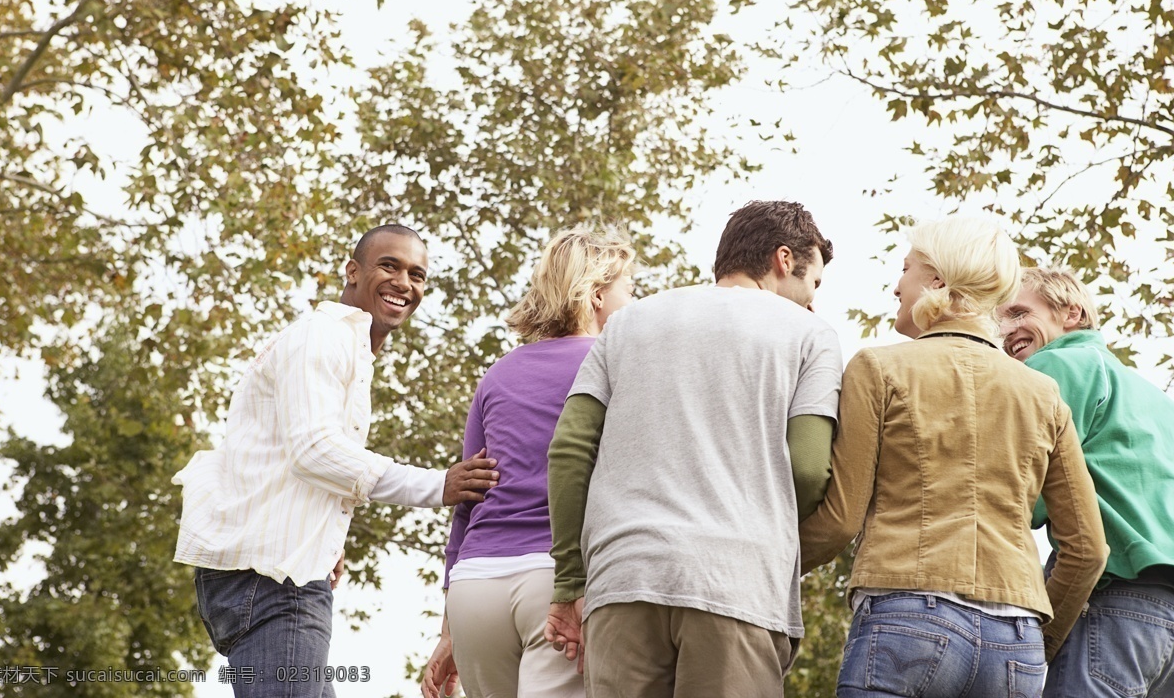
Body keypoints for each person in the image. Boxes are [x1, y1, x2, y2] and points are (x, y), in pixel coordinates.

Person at [173, 224, 500, 698]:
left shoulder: (344, 346)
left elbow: (272, 455)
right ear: (352, 271)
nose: (405, 283)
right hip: (275, 584)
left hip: (279, 577)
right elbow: (314, 450)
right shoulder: (323, 336)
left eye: (418, 274)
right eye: (389, 265)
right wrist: (438, 486)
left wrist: (324, 535)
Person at [798, 217, 1108, 698]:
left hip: (905, 614)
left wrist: (769, 564)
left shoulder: (878, 368)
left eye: (905, 269)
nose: (897, 285)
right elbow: (1088, 548)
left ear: (937, 282)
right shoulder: (1043, 394)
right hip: (1016, 637)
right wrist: (1035, 642)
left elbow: (840, 520)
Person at [544, 200, 843, 698]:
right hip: (737, 587)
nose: (813, 301)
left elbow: (570, 449)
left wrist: (571, 582)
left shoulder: (628, 322)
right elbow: (810, 470)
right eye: (813, 284)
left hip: (624, 578)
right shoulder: (811, 335)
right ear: (784, 260)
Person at [419, 225, 636, 698]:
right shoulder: (616, 362)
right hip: (557, 581)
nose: (633, 303)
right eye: (628, 290)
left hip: (474, 585)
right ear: (597, 295)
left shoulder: (498, 374)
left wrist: (448, 628)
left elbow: (467, 499)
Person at [999, 267, 1174, 697]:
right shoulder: (1150, 394)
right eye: (1000, 320)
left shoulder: (1055, 364)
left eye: (1020, 312)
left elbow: (1024, 495)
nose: (1007, 330)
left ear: (1072, 313)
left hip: (1115, 603)